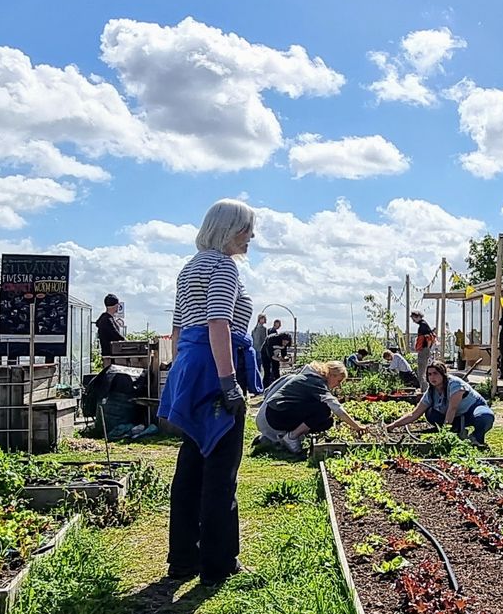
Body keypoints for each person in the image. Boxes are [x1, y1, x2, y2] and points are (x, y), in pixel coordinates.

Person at [157, 198, 261, 587]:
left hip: (191, 365)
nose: (251, 237)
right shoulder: (222, 266)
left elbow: (179, 327)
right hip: (214, 369)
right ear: (230, 229)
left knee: (192, 463)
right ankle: (218, 563)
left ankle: (183, 557)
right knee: (220, 467)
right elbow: (218, 321)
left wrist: (180, 374)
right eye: (247, 228)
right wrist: (227, 380)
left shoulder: (190, 267)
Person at [255, 361, 366, 454]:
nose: (339, 385)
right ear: (332, 374)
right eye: (339, 381)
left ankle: (280, 438)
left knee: (327, 421)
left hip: (276, 414)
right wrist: (356, 426)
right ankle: (291, 437)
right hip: (277, 415)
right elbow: (335, 407)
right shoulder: (315, 381)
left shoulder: (310, 377)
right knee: (324, 410)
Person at [387, 361, 494, 447]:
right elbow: (414, 414)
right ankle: (456, 429)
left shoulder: (455, 384)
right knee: (430, 414)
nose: (432, 377)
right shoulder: (431, 392)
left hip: (472, 409)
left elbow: (452, 408)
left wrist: (444, 435)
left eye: (435, 373)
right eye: (429, 374)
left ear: (443, 374)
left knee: (485, 417)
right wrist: (394, 425)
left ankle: (476, 439)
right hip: (456, 416)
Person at [409, 310, 435, 391]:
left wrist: (427, 348)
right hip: (424, 349)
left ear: (418, 317)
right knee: (422, 371)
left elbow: (429, 338)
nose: (413, 321)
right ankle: (425, 389)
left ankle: (424, 390)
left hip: (424, 350)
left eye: (414, 318)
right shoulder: (423, 325)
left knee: (421, 372)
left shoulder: (423, 326)